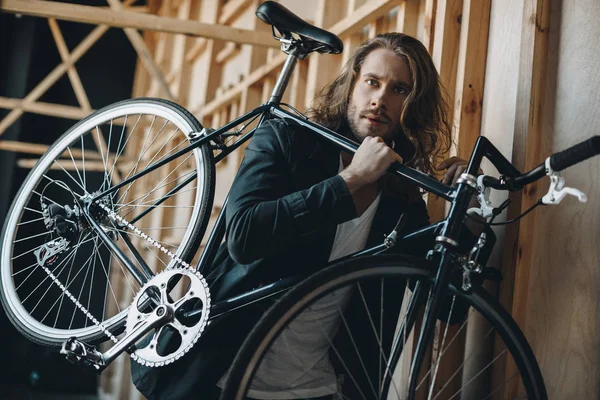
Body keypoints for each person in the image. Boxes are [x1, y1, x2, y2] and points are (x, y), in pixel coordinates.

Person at [131, 32, 487, 400]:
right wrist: (351, 179)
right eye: (372, 82)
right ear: (352, 85)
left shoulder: (401, 198)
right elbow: (243, 236)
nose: (380, 98)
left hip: (316, 388)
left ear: (413, 106)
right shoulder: (287, 140)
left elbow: (448, 305)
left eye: (399, 89)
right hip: (219, 372)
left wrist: (471, 218)